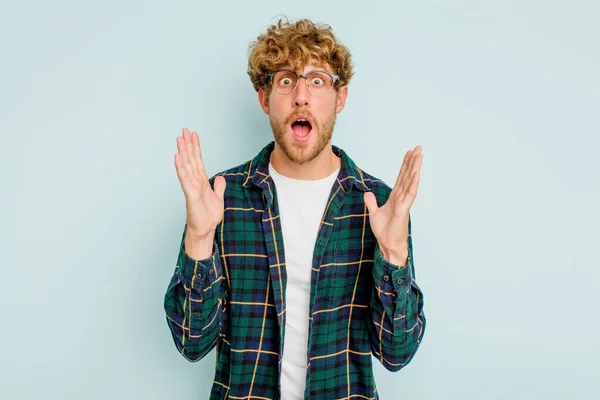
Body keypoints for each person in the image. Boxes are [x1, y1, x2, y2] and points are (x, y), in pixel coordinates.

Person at [164, 17, 426, 400]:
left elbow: (396, 353)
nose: (301, 95)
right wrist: (200, 239)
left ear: (340, 98)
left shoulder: (379, 204)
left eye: (317, 79)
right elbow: (192, 342)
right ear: (264, 97)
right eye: (286, 80)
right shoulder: (221, 197)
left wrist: (393, 254)